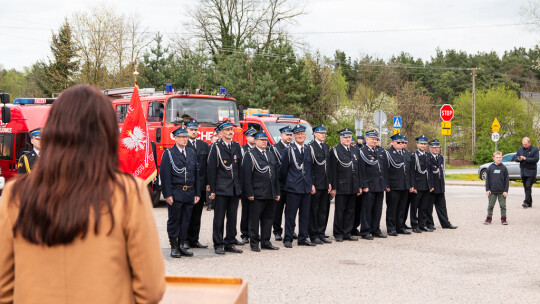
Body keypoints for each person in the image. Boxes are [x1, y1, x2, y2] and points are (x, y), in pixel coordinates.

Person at [0, 84, 165, 303]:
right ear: (105, 134)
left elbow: (4, 287)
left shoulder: (16, 194)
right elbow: (150, 288)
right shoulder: (128, 193)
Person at [160, 125, 200, 258]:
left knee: (186, 220)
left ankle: (182, 244)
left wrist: (197, 193)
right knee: (174, 219)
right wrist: (167, 194)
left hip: (189, 192)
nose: (184, 139)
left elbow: (195, 174)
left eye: (186, 137)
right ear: (175, 138)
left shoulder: (191, 153)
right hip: (175, 191)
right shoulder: (169, 153)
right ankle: (174, 246)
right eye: (181, 137)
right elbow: (165, 175)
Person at [207, 121, 244, 254]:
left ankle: (230, 242)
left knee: (232, 217)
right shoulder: (216, 147)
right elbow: (211, 170)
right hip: (221, 188)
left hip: (234, 188)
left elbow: (239, 168)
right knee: (219, 218)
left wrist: (240, 187)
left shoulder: (236, 146)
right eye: (227, 130)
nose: (230, 132)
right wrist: (212, 190)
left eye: (231, 130)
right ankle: (218, 244)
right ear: (221, 133)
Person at [242, 132, 281, 252]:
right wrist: (249, 193)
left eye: (265, 140)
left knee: (268, 218)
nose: (264, 142)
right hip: (257, 193)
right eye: (261, 140)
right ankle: (254, 243)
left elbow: (275, 175)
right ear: (256, 141)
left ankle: (266, 241)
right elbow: (247, 176)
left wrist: (277, 192)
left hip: (270, 192)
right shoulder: (250, 155)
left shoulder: (270, 154)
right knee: (254, 220)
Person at [280, 124, 316, 248]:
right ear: (294, 136)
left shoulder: (308, 149)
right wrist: (290, 182)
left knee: (305, 215)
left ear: (305, 136)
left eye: (302, 134)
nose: (300, 136)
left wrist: (311, 184)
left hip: (306, 187)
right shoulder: (288, 150)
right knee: (291, 215)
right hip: (293, 187)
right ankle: (288, 238)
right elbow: (283, 170)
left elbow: (311, 169)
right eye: (298, 134)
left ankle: (303, 238)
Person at [329, 128, 362, 242]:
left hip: (353, 185)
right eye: (346, 137)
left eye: (349, 137)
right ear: (340, 138)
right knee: (340, 210)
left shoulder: (354, 150)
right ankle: (338, 233)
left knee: (350, 210)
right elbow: (332, 170)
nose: (348, 139)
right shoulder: (335, 150)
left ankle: (347, 232)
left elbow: (357, 169)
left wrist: (359, 186)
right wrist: (334, 187)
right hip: (341, 185)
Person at [184, 120, 210, 249]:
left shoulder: (203, 145)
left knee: (197, 214)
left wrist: (208, 184)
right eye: (191, 130)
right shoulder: (183, 144)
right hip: (187, 185)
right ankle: (184, 240)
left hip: (200, 186)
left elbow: (207, 166)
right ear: (186, 130)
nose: (194, 132)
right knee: (186, 213)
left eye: (195, 130)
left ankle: (194, 239)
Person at [358, 130, 387, 240]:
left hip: (379, 185)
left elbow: (383, 169)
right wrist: (364, 185)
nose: (374, 141)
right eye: (372, 139)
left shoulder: (379, 151)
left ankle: (375, 229)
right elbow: (362, 170)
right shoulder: (363, 152)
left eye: (375, 139)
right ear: (367, 140)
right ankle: (365, 231)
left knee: (377, 209)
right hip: (369, 185)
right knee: (367, 209)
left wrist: (384, 183)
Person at [426, 139, 458, 230]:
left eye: (437, 147)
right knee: (429, 207)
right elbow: (428, 173)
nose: (436, 149)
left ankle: (445, 223)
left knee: (442, 206)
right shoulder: (427, 157)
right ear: (430, 148)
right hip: (431, 186)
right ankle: (429, 224)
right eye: (434, 147)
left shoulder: (440, 157)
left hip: (439, 186)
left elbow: (440, 171)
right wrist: (430, 185)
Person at [308, 125, 332, 244]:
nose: (323, 135)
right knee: (314, 210)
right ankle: (313, 234)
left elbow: (328, 167)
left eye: (324, 133)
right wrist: (311, 183)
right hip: (316, 183)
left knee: (324, 209)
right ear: (315, 134)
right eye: (321, 133)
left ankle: (321, 232)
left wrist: (329, 183)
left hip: (324, 183)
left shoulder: (326, 146)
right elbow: (309, 167)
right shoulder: (310, 147)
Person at [384, 133, 411, 236]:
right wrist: (387, 185)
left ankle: (400, 226)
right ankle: (391, 228)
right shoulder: (388, 153)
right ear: (393, 142)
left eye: (402, 142)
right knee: (392, 207)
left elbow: (409, 171)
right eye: (398, 142)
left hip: (404, 185)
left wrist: (410, 184)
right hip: (393, 185)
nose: (401, 144)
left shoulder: (405, 153)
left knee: (402, 207)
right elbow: (385, 171)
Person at [271, 125, 294, 241]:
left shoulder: (294, 147)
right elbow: (275, 166)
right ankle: (277, 231)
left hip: (292, 184)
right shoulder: (274, 148)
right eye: (287, 135)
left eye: (291, 135)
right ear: (281, 136)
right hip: (280, 184)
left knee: (291, 210)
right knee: (278, 210)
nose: (289, 137)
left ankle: (290, 230)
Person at [410, 135, 432, 233]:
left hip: (426, 185)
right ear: (417, 144)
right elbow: (412, 172)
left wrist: (431, 185)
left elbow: (430, 172)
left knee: (424, 206)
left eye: (424, 144)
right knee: (415, 206)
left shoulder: (428, 156)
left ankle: (422, 224)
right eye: (421, 144)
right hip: (417, 185)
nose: (423, 146)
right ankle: (414, 225)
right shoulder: (413, 156)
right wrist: (413, 186)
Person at [239, 127, 257, 244]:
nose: (253, 138)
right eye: (251, 136)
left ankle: (254, 233)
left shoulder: (259, 149)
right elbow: (240, 169)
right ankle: (244, 233)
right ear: (246, 137)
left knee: (255, 211)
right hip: (246, 185)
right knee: (246, 210)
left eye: (254, 136)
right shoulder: (242, 149)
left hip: (257, 185)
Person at [512, 137, 539, 208]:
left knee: (528, 186)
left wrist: (525, 159)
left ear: (529, 143)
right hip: (523, 171)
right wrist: (519, 159)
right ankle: (529, 202)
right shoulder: (520, 149)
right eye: (523, 144)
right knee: (526, 187)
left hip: (531, 171)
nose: (524, 146)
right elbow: (515, 158)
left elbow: (536, 159)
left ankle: (526, 202)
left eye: (526, 144)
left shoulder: (535, 149)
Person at [484, 151, 509, 225]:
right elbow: (487, 180)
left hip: (502, 191)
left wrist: (506, 191)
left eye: (500, 157)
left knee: (503, 206)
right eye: (497, 157)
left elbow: (506, 180)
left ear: (502, 158)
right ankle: (488, 219)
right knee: (490, 206)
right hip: (492, 191)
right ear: (493, 158)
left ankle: (503, 219)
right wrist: (487, 189)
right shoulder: (490, 168)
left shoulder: (504, 168)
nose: (498, 159)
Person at [352, 135, 365, 236]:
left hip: (357, 184)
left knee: (357, 209)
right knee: (349, 208)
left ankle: (354, 227)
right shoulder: (357, 149)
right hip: (347, 184)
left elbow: (360, 170)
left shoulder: (358, 152)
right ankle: (346, 229)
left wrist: (361, 185)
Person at [207, 134, 220, 211]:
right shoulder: (209, 148)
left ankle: (214, 204)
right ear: (211, 141)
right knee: (209, 190)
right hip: (210, 170)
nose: (215, 142)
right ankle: (209, 204)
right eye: (214, 140)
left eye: (216, 140)